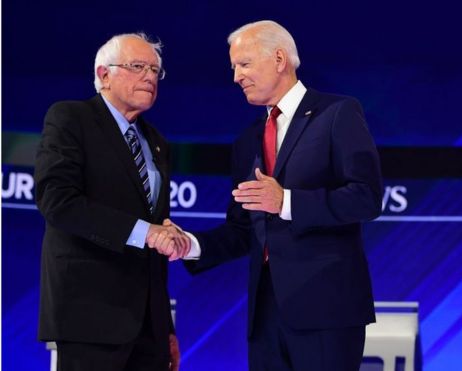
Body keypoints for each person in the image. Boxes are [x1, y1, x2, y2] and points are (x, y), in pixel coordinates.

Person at [158, 20, 383, 370]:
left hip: (326, 310)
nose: (236, 77)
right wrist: (191, 244)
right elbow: (241, 229)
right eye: (234, 67)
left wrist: (287, 202)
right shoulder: (247, 140)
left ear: (279, 59)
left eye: (244, 64)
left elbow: (365, 197)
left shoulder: (337, 113)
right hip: (265, 315)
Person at [35, 33, 190, 371]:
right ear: (104, 74)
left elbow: (156, 243)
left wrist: (166, 328)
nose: (149, 76)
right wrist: (144, 232)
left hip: (149, 329)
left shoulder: (158, 143)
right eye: (137, 66)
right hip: (89, 317)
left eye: (154, 70)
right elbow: (58, 201)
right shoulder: (71, 119)